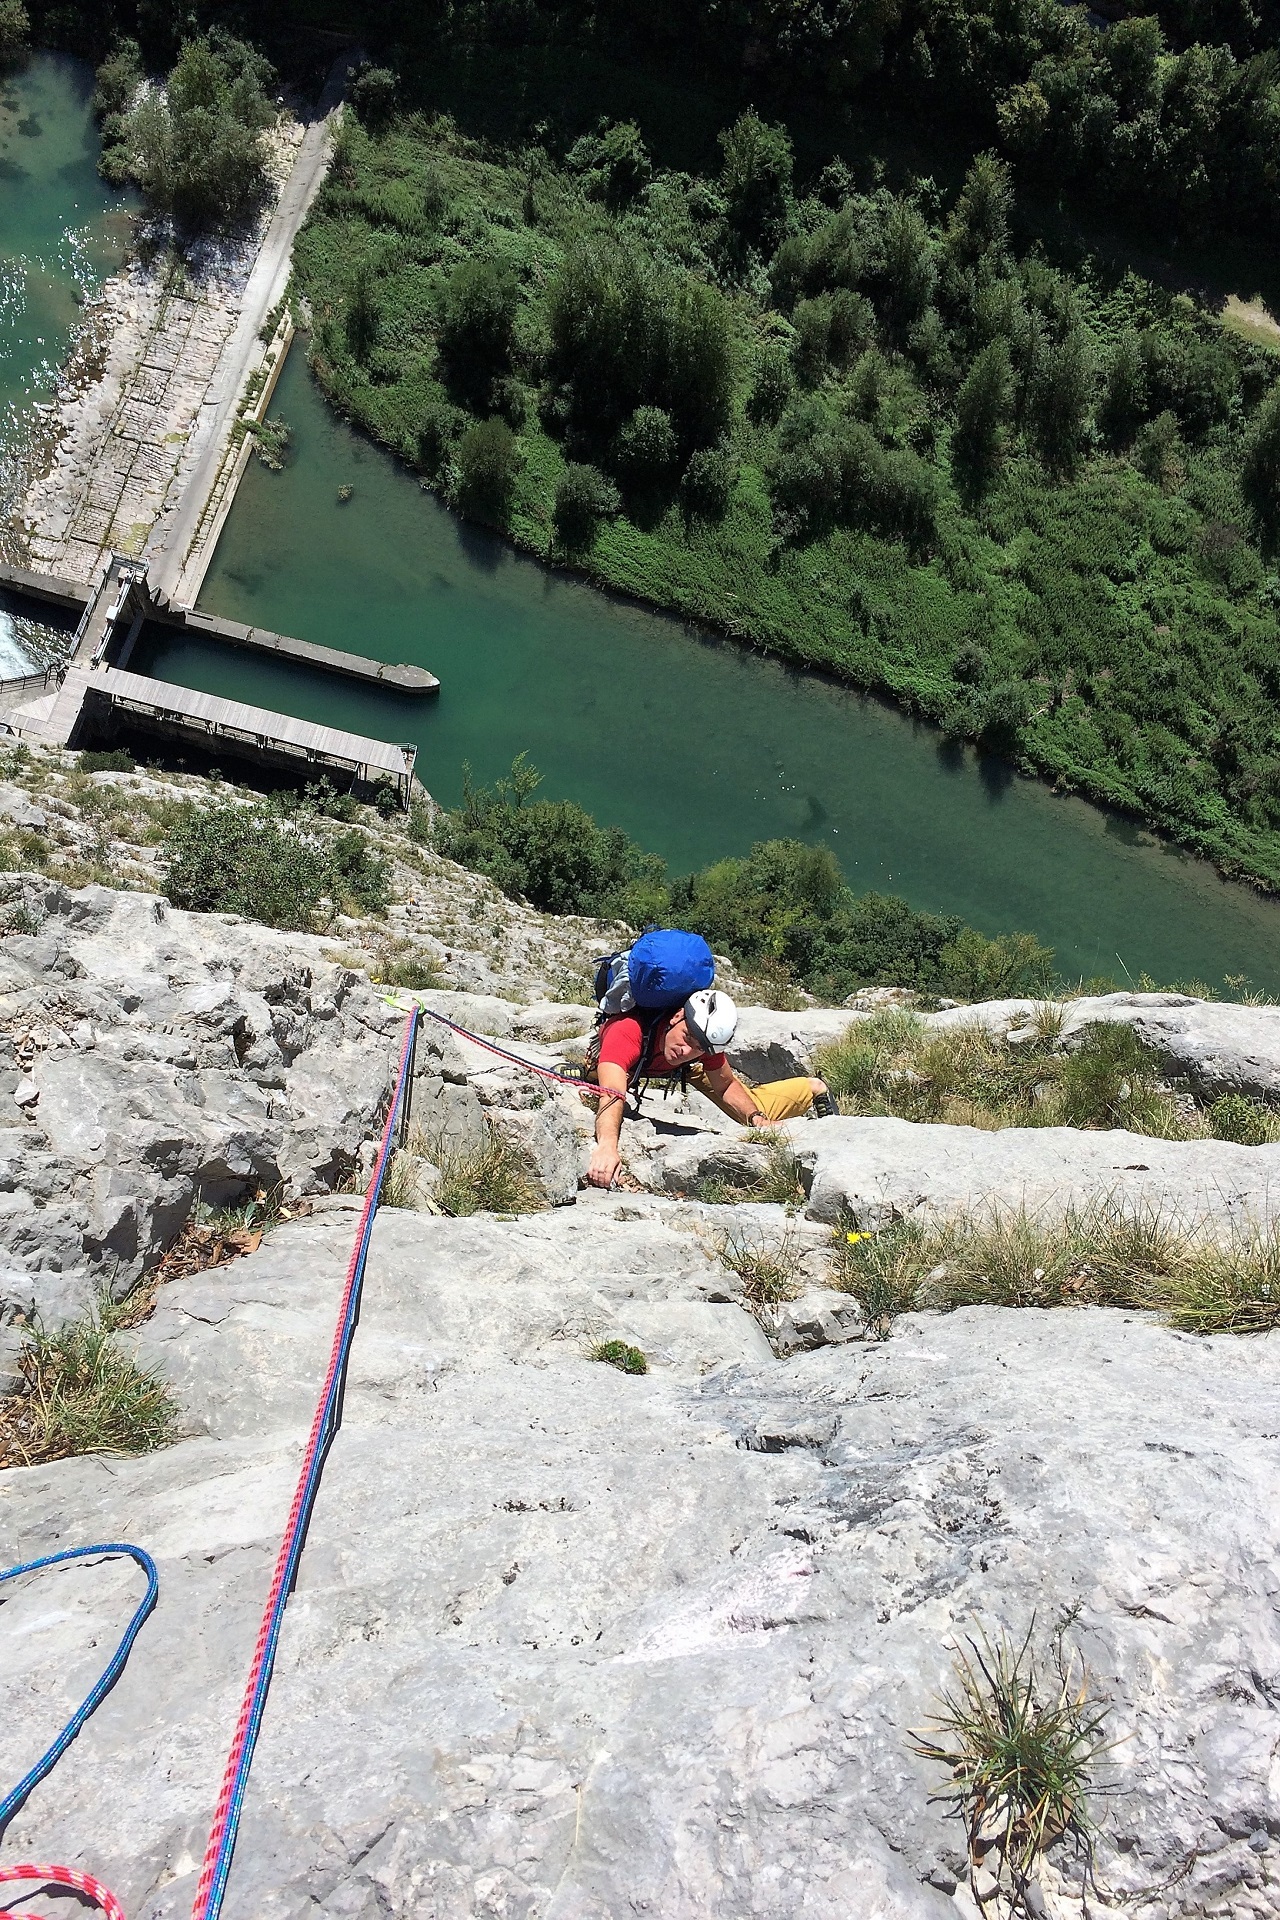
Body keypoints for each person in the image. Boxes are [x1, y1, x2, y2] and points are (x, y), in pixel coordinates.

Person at [586, 987, 834, 1190]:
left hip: (680, 1069)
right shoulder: (627, 1030)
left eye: (699, 1048)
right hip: (625, 1058)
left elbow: (725, 1084)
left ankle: (811, 1088)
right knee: (599, 1079)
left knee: (753, 1107)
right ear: (677, 1016)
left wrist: (758, 1120)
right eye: (686, 1038)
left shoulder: (698, 1044)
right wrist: (607, 1146)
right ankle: (582, 1070)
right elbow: (613, 1093)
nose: (687, 1050)